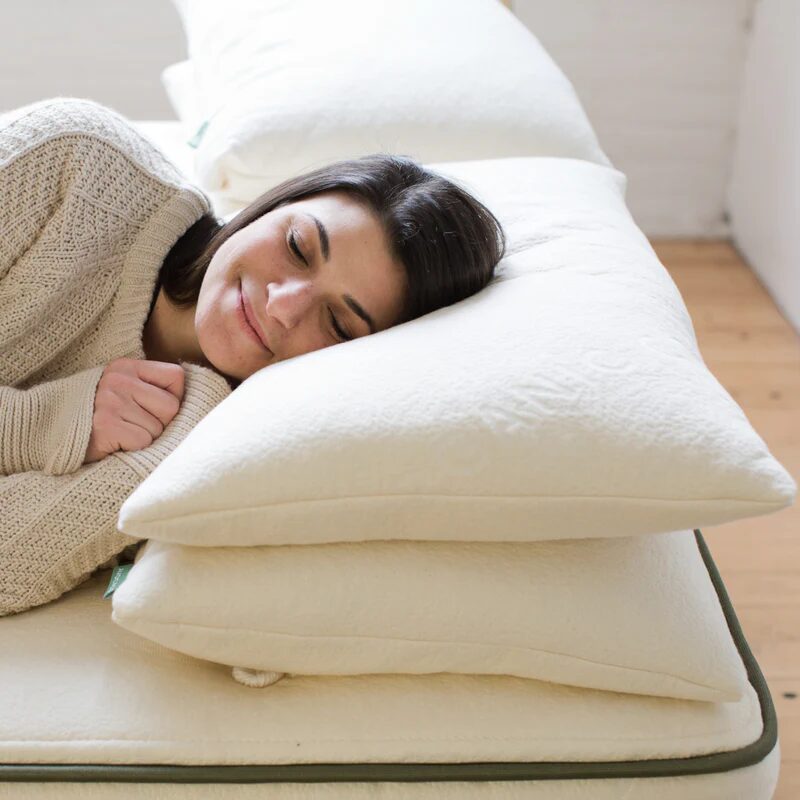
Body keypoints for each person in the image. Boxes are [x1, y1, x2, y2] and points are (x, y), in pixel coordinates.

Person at [0, 97, 505, 616]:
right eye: (297, 246)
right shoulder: (78, 166)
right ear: (270, 205)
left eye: (337, 324)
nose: (283, 305)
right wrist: (42, 423)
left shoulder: (200, 437)